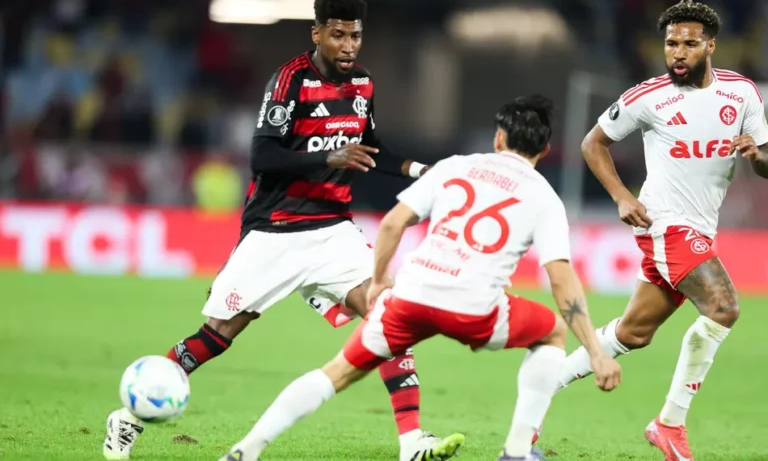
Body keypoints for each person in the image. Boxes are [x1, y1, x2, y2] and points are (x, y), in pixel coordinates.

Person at [103, 0, 447, 461]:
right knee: (219, 334)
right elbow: (262, 156)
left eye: (356, 36)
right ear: (318, 33)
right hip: (274, 230)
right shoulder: (289, 81)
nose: (349, 46)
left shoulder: (363, 85)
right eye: (339, 35)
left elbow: (372, 150)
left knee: (387, 315)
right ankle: (129, 417)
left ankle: (412, 441)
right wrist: (328, 155)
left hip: (332, 230)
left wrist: (420, 172)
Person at [218, 96, 622, 461]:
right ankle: (517, 451)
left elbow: (393, 224)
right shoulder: (544, 197)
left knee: (336, 372)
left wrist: (378, 282)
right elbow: (561, 279)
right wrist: (596, 351)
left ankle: (245, 449)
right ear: (545, 150)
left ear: (499, 138)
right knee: (550, 332)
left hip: (411, 295)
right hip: (474, 308)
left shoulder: (455, 167)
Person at [548, 0, 768, 461]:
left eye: (689, 44)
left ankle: (538, 387)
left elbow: (766, 164)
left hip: (701, 226)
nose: (678, 53)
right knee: (724, 308)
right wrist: (622, 197)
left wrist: (758, 155)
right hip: (663, 223)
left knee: (633, 333)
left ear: (711, 45)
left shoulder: (742, 93)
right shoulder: (647, 97)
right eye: (671, 44)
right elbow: (594, 144)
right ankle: (670, 424)